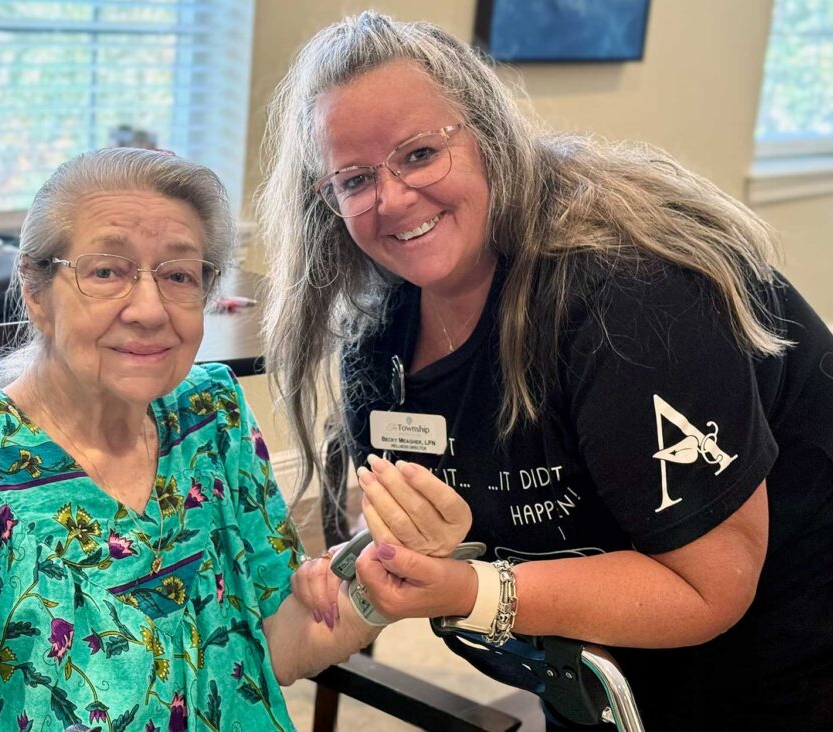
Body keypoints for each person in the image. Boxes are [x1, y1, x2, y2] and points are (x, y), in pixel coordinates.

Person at [259, 11, 833, 731]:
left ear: (487, 135)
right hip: (592, 659)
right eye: (354, 179)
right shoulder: (378, 342)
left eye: (419, 154)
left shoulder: (631, 295)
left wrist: (470, 588)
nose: (393, 198)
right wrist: (396, 560)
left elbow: (707, 588)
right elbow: (448, 538)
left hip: (789, 629)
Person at [0, 147, 381, 731]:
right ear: (35, 291)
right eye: (106, 271)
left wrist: (378, 587)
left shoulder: (212, 417)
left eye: (178, 275)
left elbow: (275, 642)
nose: (150, 310)